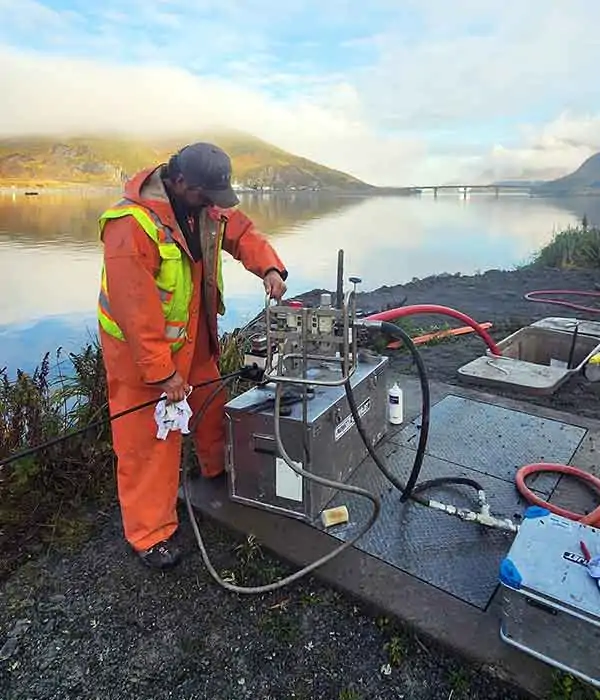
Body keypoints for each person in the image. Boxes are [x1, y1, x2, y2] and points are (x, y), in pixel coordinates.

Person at [96, 142, 288, 569]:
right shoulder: (130, 226)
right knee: (150, 440)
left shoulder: (204, 202)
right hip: (139, 358)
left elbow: (240, 231)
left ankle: (215, 474)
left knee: (210, 405)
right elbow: (136, 311)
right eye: (207, 196)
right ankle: (150, 534)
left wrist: (270, 268)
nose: (213, 205)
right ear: (180, 182)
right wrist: (163, 375)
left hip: (194, 338)